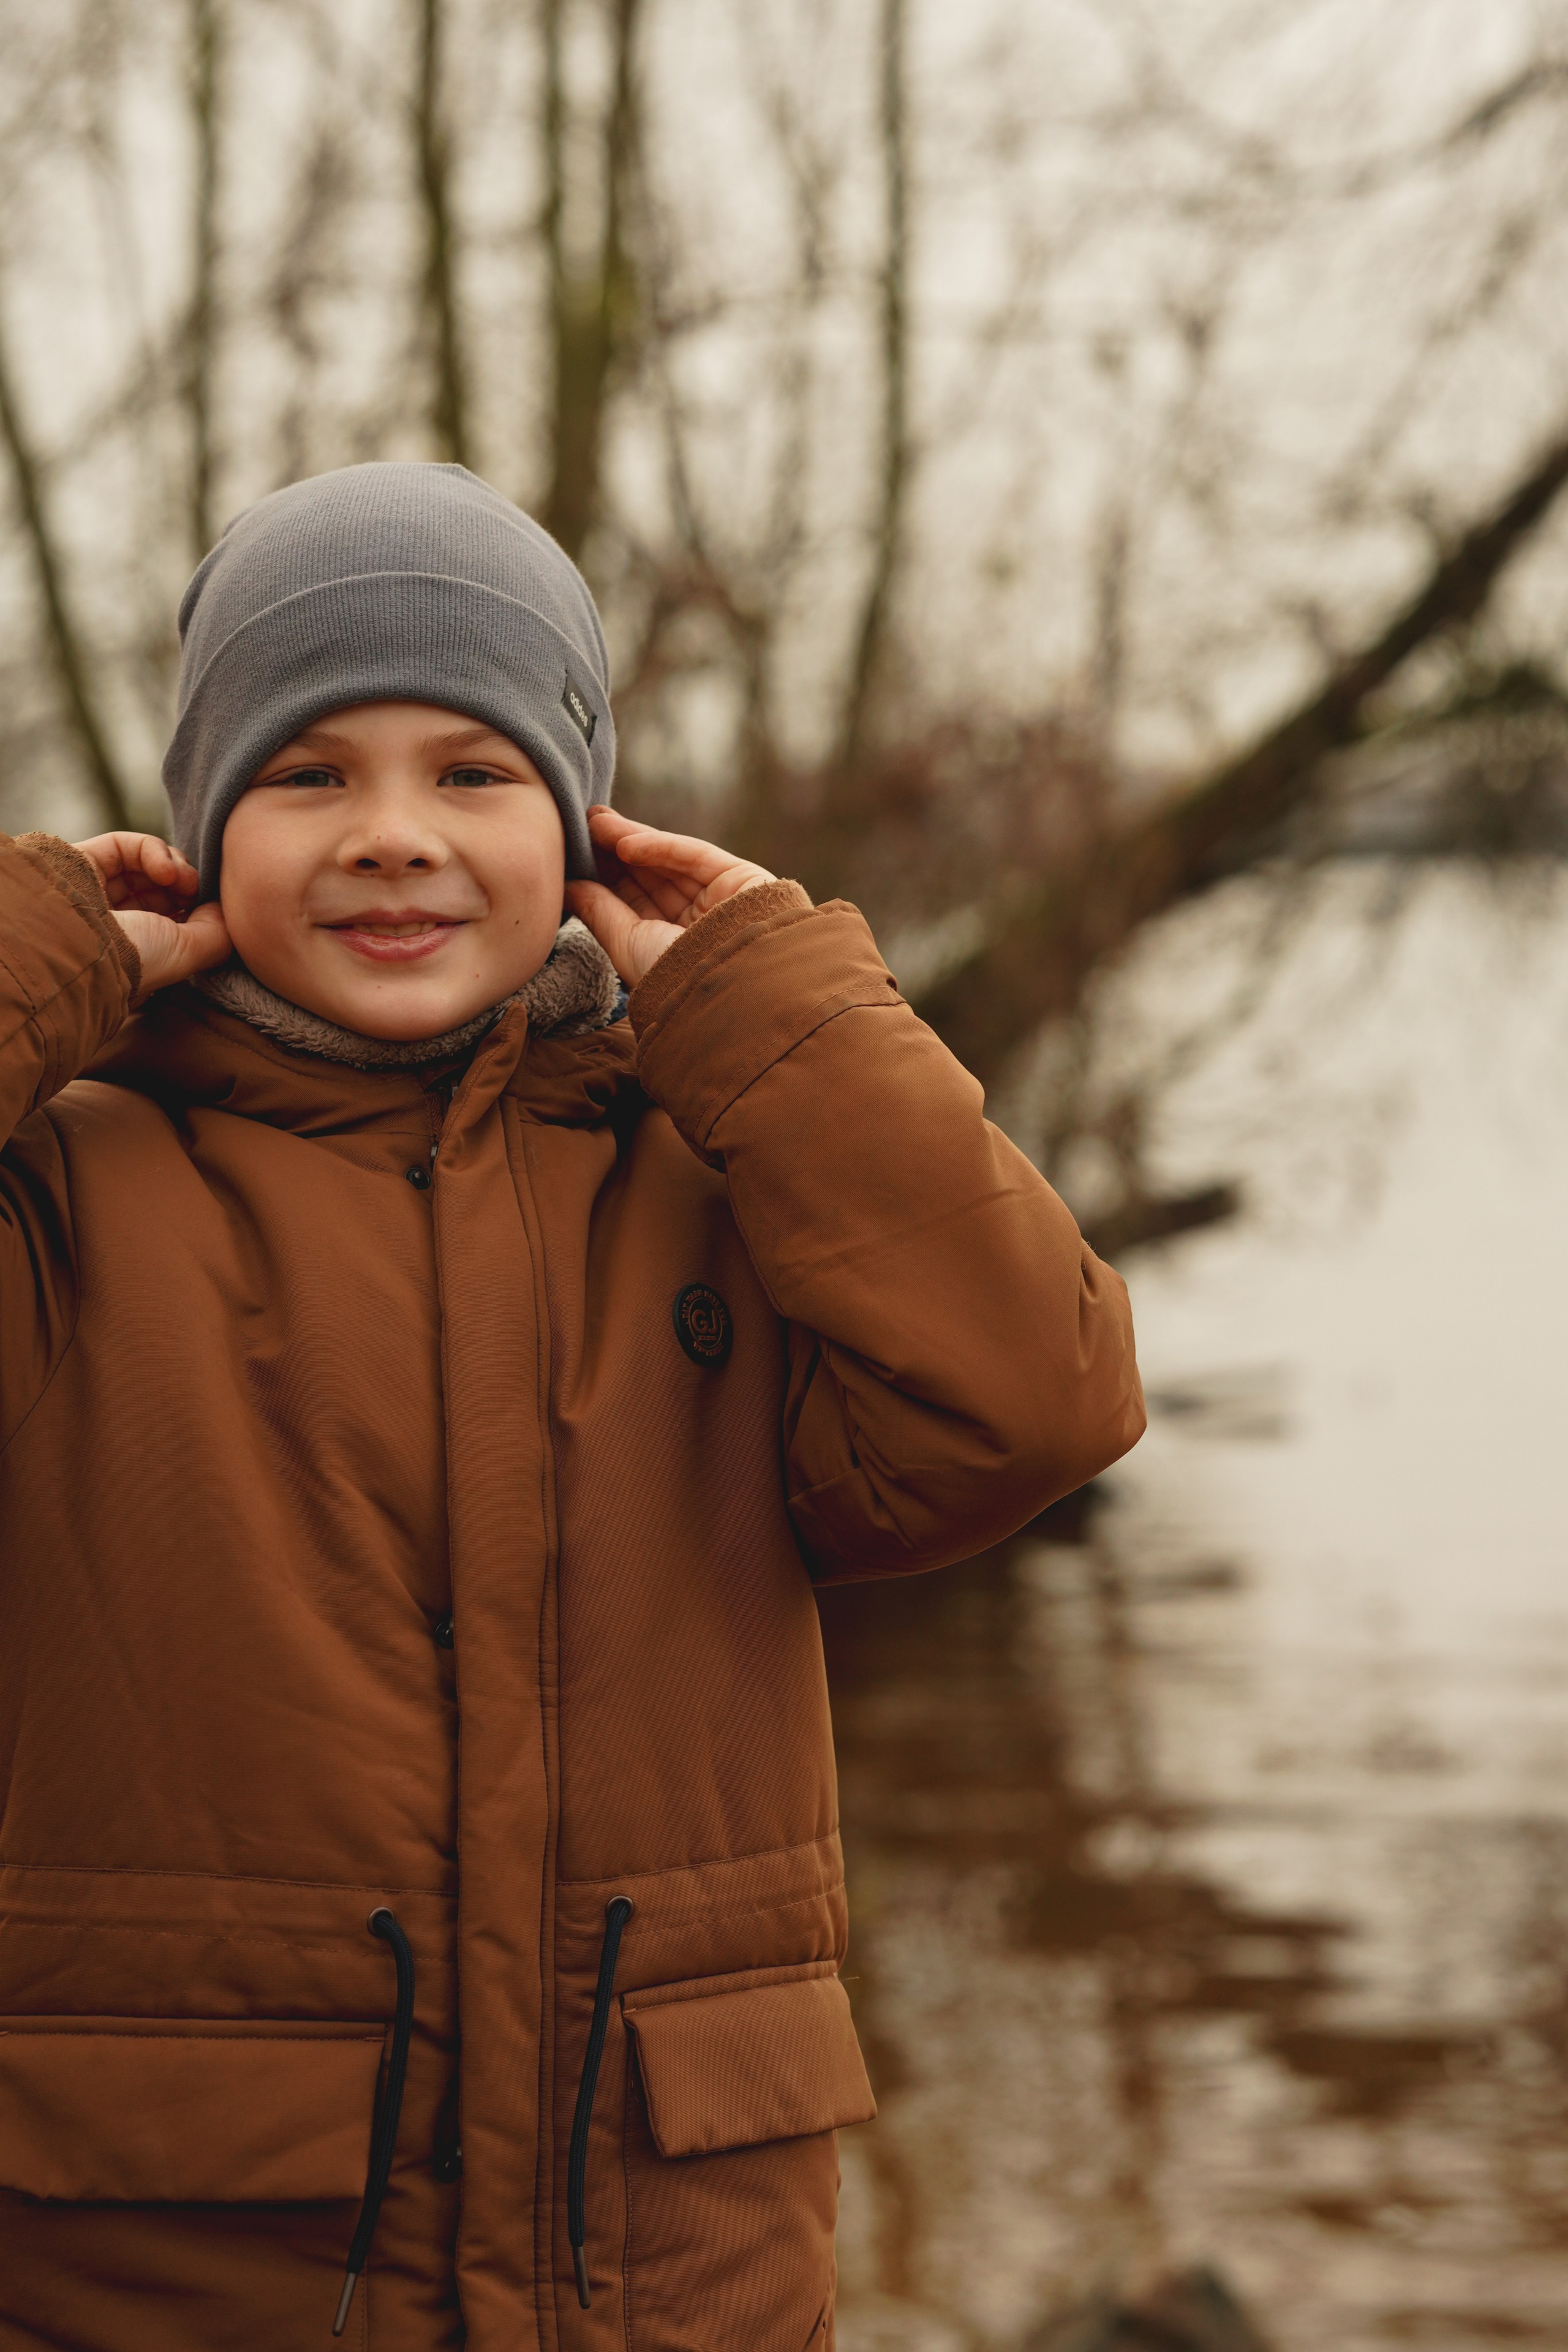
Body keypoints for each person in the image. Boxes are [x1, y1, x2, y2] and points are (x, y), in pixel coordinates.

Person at [0, 462, 1144, 2351]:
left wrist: (779, 1010)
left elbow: (1034, 1398)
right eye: (307, 774)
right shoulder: (71, 1206)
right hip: (173, 2271)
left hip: (666, 2272)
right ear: (200, 832)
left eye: (473, 771)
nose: (391, 834)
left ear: (587, 826)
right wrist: (36, 961)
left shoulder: (713, 1192)